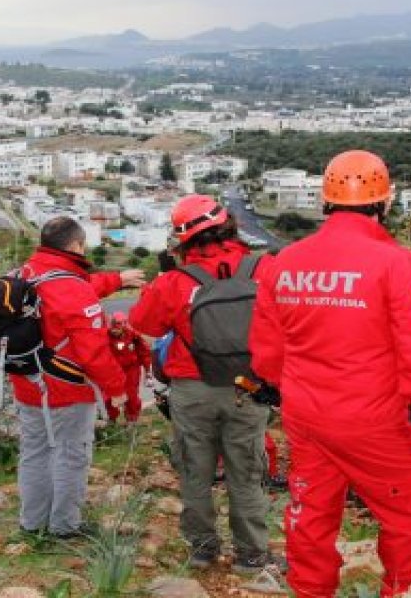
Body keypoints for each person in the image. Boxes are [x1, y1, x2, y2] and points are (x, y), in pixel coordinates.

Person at [249, 150, 411, 598]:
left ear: (325, 200)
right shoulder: (399, 265)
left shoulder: (284, 262)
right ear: (385, 201)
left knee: (311, 514)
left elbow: (267, 355)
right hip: (372, 420)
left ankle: (310, 591)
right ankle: (405, 590)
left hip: (306, 417)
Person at [129, 194, 277, 573]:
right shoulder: (265, 269)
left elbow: (144, 324)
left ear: (181, 239)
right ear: (227, 224)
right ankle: (252, 554)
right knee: (246, 471)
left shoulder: (175, 282)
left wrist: (164, 280)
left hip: (193, 387)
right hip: (249, 385)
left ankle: (203, 550)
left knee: (196, 470)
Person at [11, 216, 146, 539]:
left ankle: (32, 524)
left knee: (34, 452)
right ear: (75, 246)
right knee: (71, 456)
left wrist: (117, 279)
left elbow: (75, 291)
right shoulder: (69, 286)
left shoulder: (24, 273)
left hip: (27, 382)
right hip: (65, 388)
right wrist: (117, 390)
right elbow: (93, 351)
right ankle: (64, 528)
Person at [103, 312, 150, 424]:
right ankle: (111, 418)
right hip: (112, 371)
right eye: (112, 328)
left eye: (117, 329)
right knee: (109, 396)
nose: (114, 331)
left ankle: (132, 418)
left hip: (131, 369)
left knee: (131, 395)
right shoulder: (105, 336)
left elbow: (144, 351)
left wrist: (147, 369)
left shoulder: (133, 335)